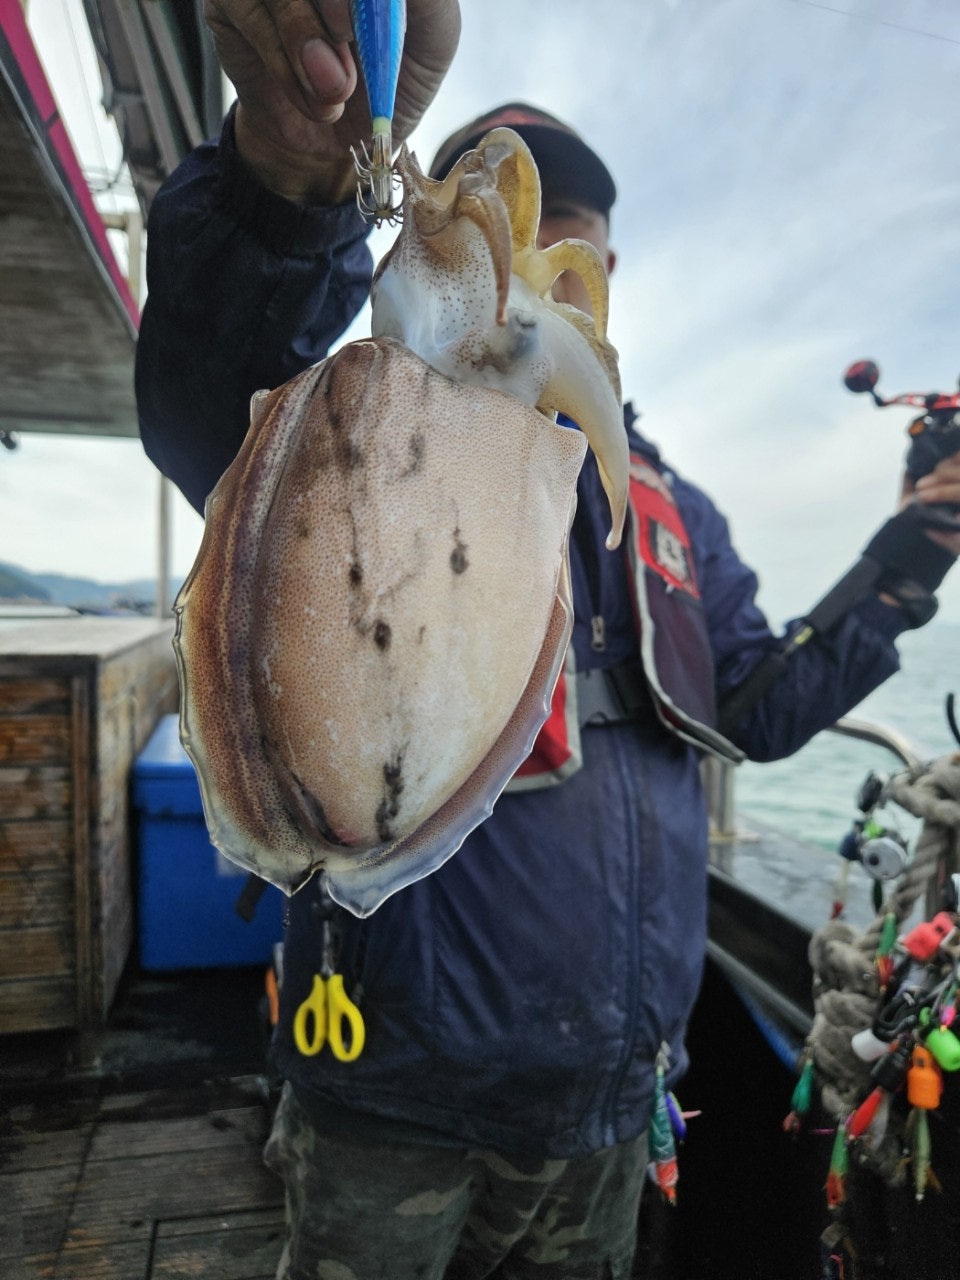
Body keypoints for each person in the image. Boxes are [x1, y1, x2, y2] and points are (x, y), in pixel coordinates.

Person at [134, 2, 960, 1276]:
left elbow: (755, 704)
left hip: (609, 1101)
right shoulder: (346, 422)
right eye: (521, 225)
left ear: (610, 282)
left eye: (579, 239)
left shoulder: (671, 511)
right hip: (393, 1093)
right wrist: (287, 184)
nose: (550, 253)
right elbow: (219, 394)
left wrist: (910, 556)